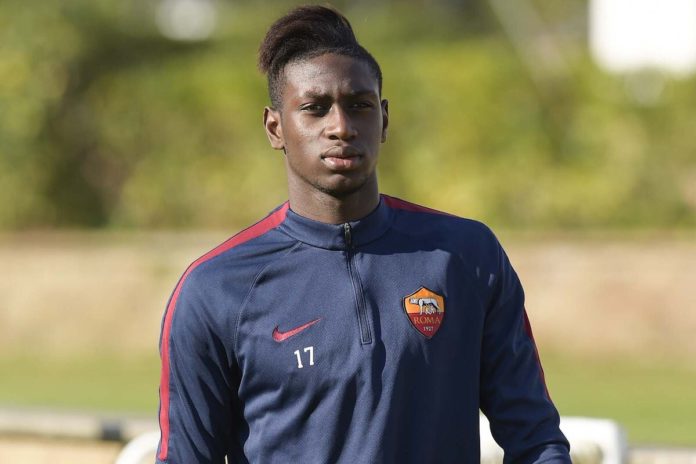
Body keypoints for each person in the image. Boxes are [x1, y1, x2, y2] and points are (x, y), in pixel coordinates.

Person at [156, 5, 571, 463]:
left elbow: (536, 441)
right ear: (276, 128)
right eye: (314, 109)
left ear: (384, 119)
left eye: (359, 105)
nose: (341, 127)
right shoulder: (217, 288)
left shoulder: (466, 256)